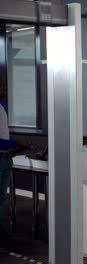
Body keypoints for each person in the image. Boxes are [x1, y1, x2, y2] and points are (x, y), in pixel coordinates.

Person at [0, 83, 21, 248]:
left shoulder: (1, 108)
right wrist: (16, 143)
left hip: (5, 157)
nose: (5, 90)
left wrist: (13, 147)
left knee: (1, 199)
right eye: (1, 87)